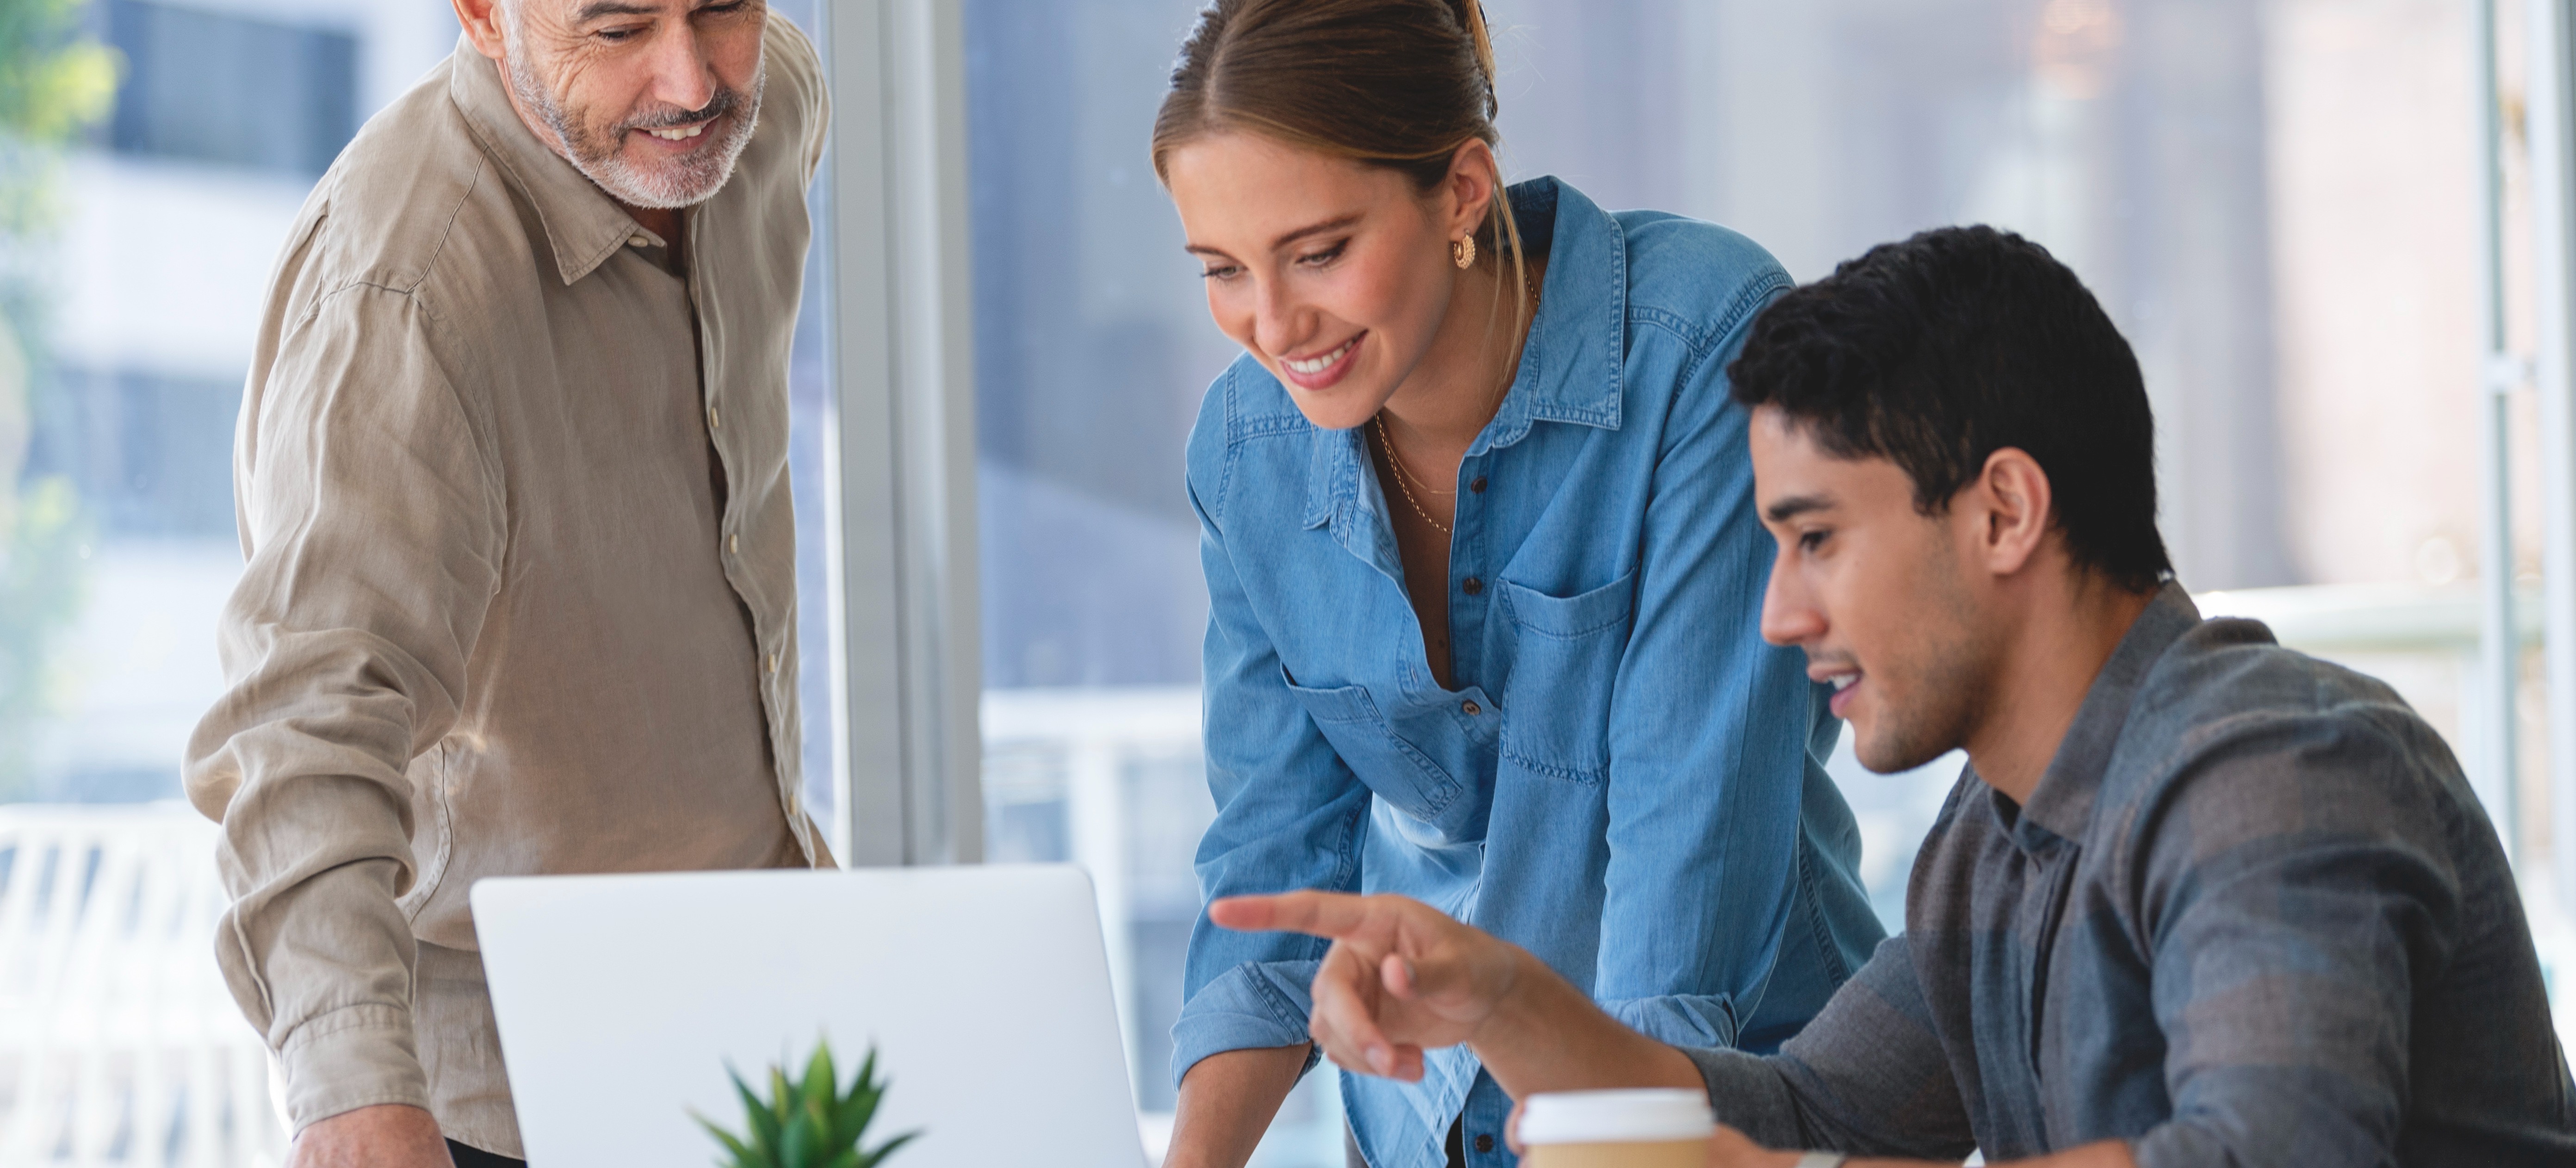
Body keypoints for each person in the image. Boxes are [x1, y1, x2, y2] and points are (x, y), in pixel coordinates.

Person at [1212, 226, 2576, 1166]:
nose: (1780, 611)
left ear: (2002, 511)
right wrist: (1497, 997)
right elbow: (1813, 1105)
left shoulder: (2275, 767)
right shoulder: (1997, 840)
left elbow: (2268, 1153)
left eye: (1816, 538)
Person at [1151, 3, 1885, 1165]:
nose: (1274, 325)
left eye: (1321, 251)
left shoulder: (1696, 346)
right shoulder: (1247, 450)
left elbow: (1680, 902)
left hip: (1712, 1114)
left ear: (1460, 191)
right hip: (1427, 1121)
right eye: (1222, 269)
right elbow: (1276, 864)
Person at [181, 0, 831, 1165]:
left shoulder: (769, 105)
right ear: (483, 15)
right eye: (620, 29)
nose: (689, 82)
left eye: (722, 7)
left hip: (774, 1027)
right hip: (511, 1105)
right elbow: (309, 723)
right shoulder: (404, 294)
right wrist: (350, 1090)